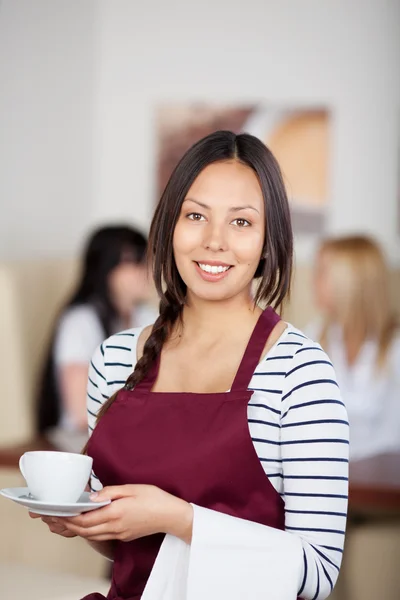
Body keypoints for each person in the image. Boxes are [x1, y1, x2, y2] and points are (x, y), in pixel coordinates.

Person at [30, 131, 349, 600]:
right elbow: (128, 548)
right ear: (169, 226)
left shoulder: (299, 370)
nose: (214, 241)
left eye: (241, 223)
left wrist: (178, 518)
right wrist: (85, 524)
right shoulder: (115, 359)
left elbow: (318, 574)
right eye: (195, 215)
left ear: (267, 241)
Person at [36, 225, 158, 453]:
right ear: (105, 267)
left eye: (148, 259)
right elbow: (81, 412)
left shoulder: (147, 317)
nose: (148, 270)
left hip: (132, 432)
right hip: (82, 439)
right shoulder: (80, 322)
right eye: (135, 261)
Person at [308, 235, 400, 461]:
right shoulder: (314, 336)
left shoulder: (394, 347)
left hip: (382, 486)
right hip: (326, 474)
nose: (313, 281)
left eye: (322, 273)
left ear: (350, 282)